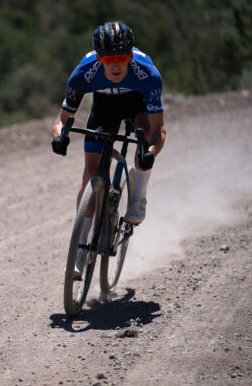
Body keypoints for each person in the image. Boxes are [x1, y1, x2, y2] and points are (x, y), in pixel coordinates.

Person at [51, 21, 166, 276]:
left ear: (131, 56)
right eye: (108, 59)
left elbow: (159, 130)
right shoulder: (85, 72)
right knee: (90, 175)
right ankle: (80, 250)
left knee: (144, 134)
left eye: (121, 58)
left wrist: (151, 153)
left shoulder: (147, 74)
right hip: (104, 108)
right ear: (99, 59)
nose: (115, 65)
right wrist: (60, 137)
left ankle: (139, 195)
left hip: (137, 105)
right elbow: (61, 120)